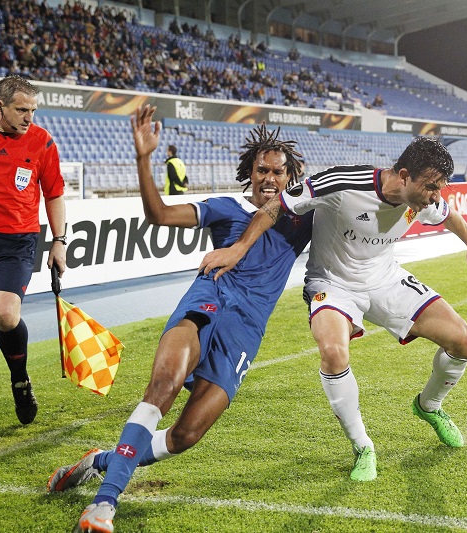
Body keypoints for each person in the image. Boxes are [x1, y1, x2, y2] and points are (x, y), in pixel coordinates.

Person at [47, 105, 311, 533]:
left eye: (279, 172)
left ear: (290, 176)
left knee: (185, 436)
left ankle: (99, 461)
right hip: (208, 303)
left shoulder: (302, 219)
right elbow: (160, 216)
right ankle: (103, 505)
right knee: (164, 385)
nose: (270, 178)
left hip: (245, 333)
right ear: (250, 170)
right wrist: (143, 158)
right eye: (263, 169)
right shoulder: (227, 206)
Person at [201, 137, 467, 482]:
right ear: (403, 175)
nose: (434, 196)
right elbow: (279, 204)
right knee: (334, 354)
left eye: (439, 188)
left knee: (464, 342)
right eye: (430, 187)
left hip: (386, 279)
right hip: (332, 284)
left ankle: (429, 406)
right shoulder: (342, 183)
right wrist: (238, 249)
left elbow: (450, 215)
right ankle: (363, 446)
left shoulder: (424, 199)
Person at [0, 75, 66, 424]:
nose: (29, 118)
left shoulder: (42, 142)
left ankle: (19, 379)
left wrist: (59, 241)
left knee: (3, 312)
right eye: (22, 109)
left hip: (16, 242)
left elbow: (54, 194)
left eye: (33, 110)